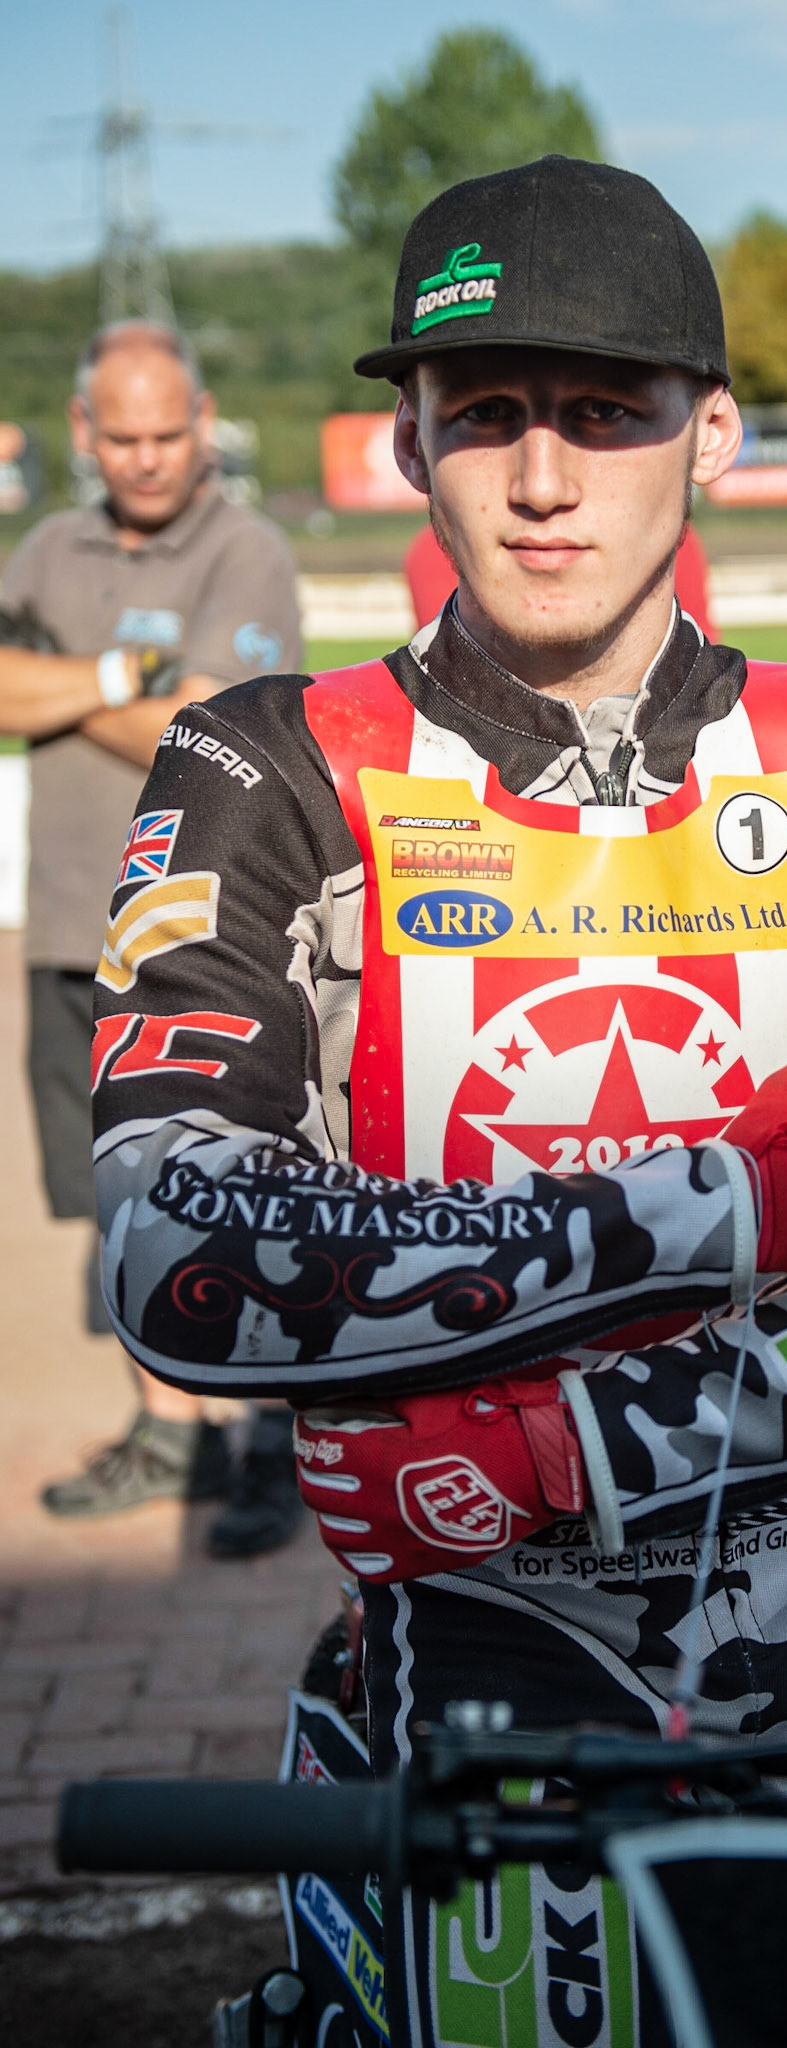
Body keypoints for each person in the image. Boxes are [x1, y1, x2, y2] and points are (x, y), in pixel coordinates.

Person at [92, 160, 787, 2045]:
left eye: (606, 410)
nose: (542, 477)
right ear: (406, 439)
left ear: (709, 428)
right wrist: (716, 1202)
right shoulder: (266, 762)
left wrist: (565, 1442)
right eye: (483, 413)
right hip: (478, 1634)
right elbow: (172, 1243)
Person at [0, 319, 309, 1556]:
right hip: (67, 925)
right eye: (120, 436)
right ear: (84, 432)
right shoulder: (44, 545)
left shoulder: (249, 547)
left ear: (206, 418)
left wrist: (68, 689)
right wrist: (132, 674)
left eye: (168, 432)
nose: (145, 457)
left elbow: (218, 730)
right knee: (116, 1204)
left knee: (240, 1189)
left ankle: (272, 1441)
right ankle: (168, 1433)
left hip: (205, 937)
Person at [404, 512, 717, 638]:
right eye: (487, 413)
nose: (543, 489)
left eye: (604, 412)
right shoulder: (431, 552)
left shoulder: (676, 544)